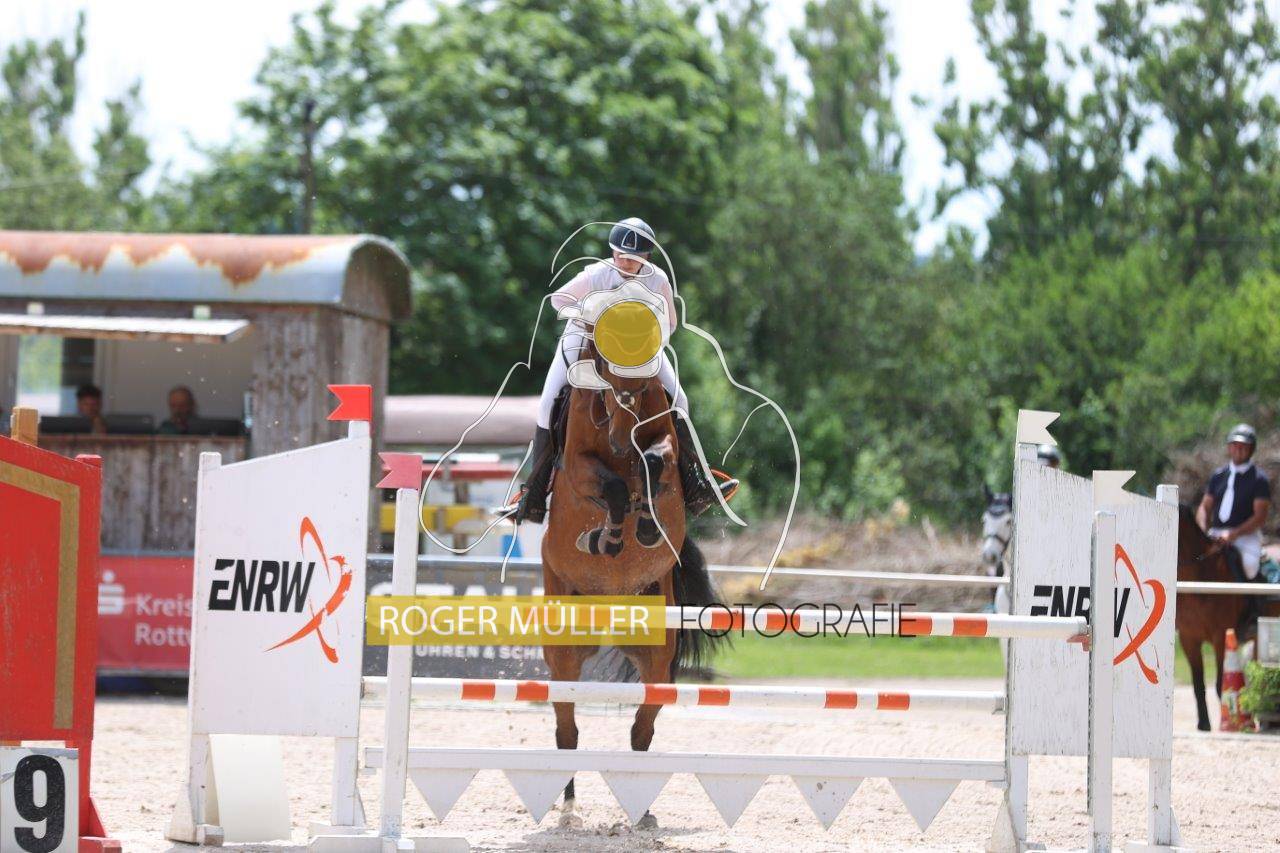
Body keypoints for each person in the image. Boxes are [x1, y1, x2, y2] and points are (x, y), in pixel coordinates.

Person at [514, 217, 736, 524]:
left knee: (680, 400)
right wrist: (588, 315)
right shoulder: (597, 273)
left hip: (637, 347)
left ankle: (696, 484)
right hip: (584, 337)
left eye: (633, 257)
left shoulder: (658, 280)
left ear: (647, 256)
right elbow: (558, 300)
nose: (625, 262)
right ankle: (534, 492)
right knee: (546, 404)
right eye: (620, 255)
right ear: (612, 252)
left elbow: (669, 325)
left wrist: (642, 339)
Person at [1197, 423, 1271, 581]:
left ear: (1251, 449)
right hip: (1216, 533)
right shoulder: (1218, 475)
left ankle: (1253, 597)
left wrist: (1233, 534)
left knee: (1250, 566)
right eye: (1235, 445)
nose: (1239, 449)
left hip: (1245, 537)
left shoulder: (1259, 479)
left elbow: (1260, 517)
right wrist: (1202, 531)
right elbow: (1205, 506)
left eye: (1244, 446)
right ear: (1229, 447)